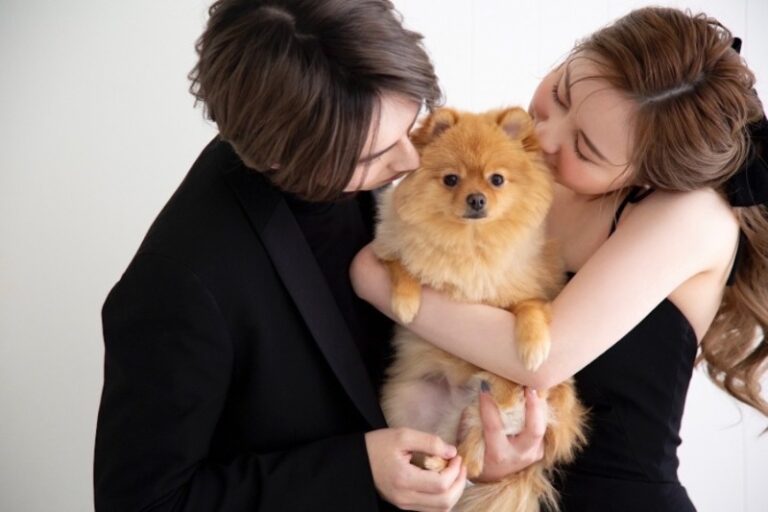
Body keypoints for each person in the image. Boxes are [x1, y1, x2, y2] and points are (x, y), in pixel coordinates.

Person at [93, 1, 548, 511]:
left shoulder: (348, 156)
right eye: (377, 153)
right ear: (282, 157)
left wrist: (475, 450)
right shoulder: (179, 285)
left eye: (409, 126)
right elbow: (142, 502)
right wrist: (357, 472)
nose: (409, 159)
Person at [351, 7, 768, 512]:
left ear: (648, 174)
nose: (546, 137)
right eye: (563, 94)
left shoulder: (690, 214)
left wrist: (374, 278)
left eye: (585, 149)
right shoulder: (524, 177)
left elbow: (541, 359)